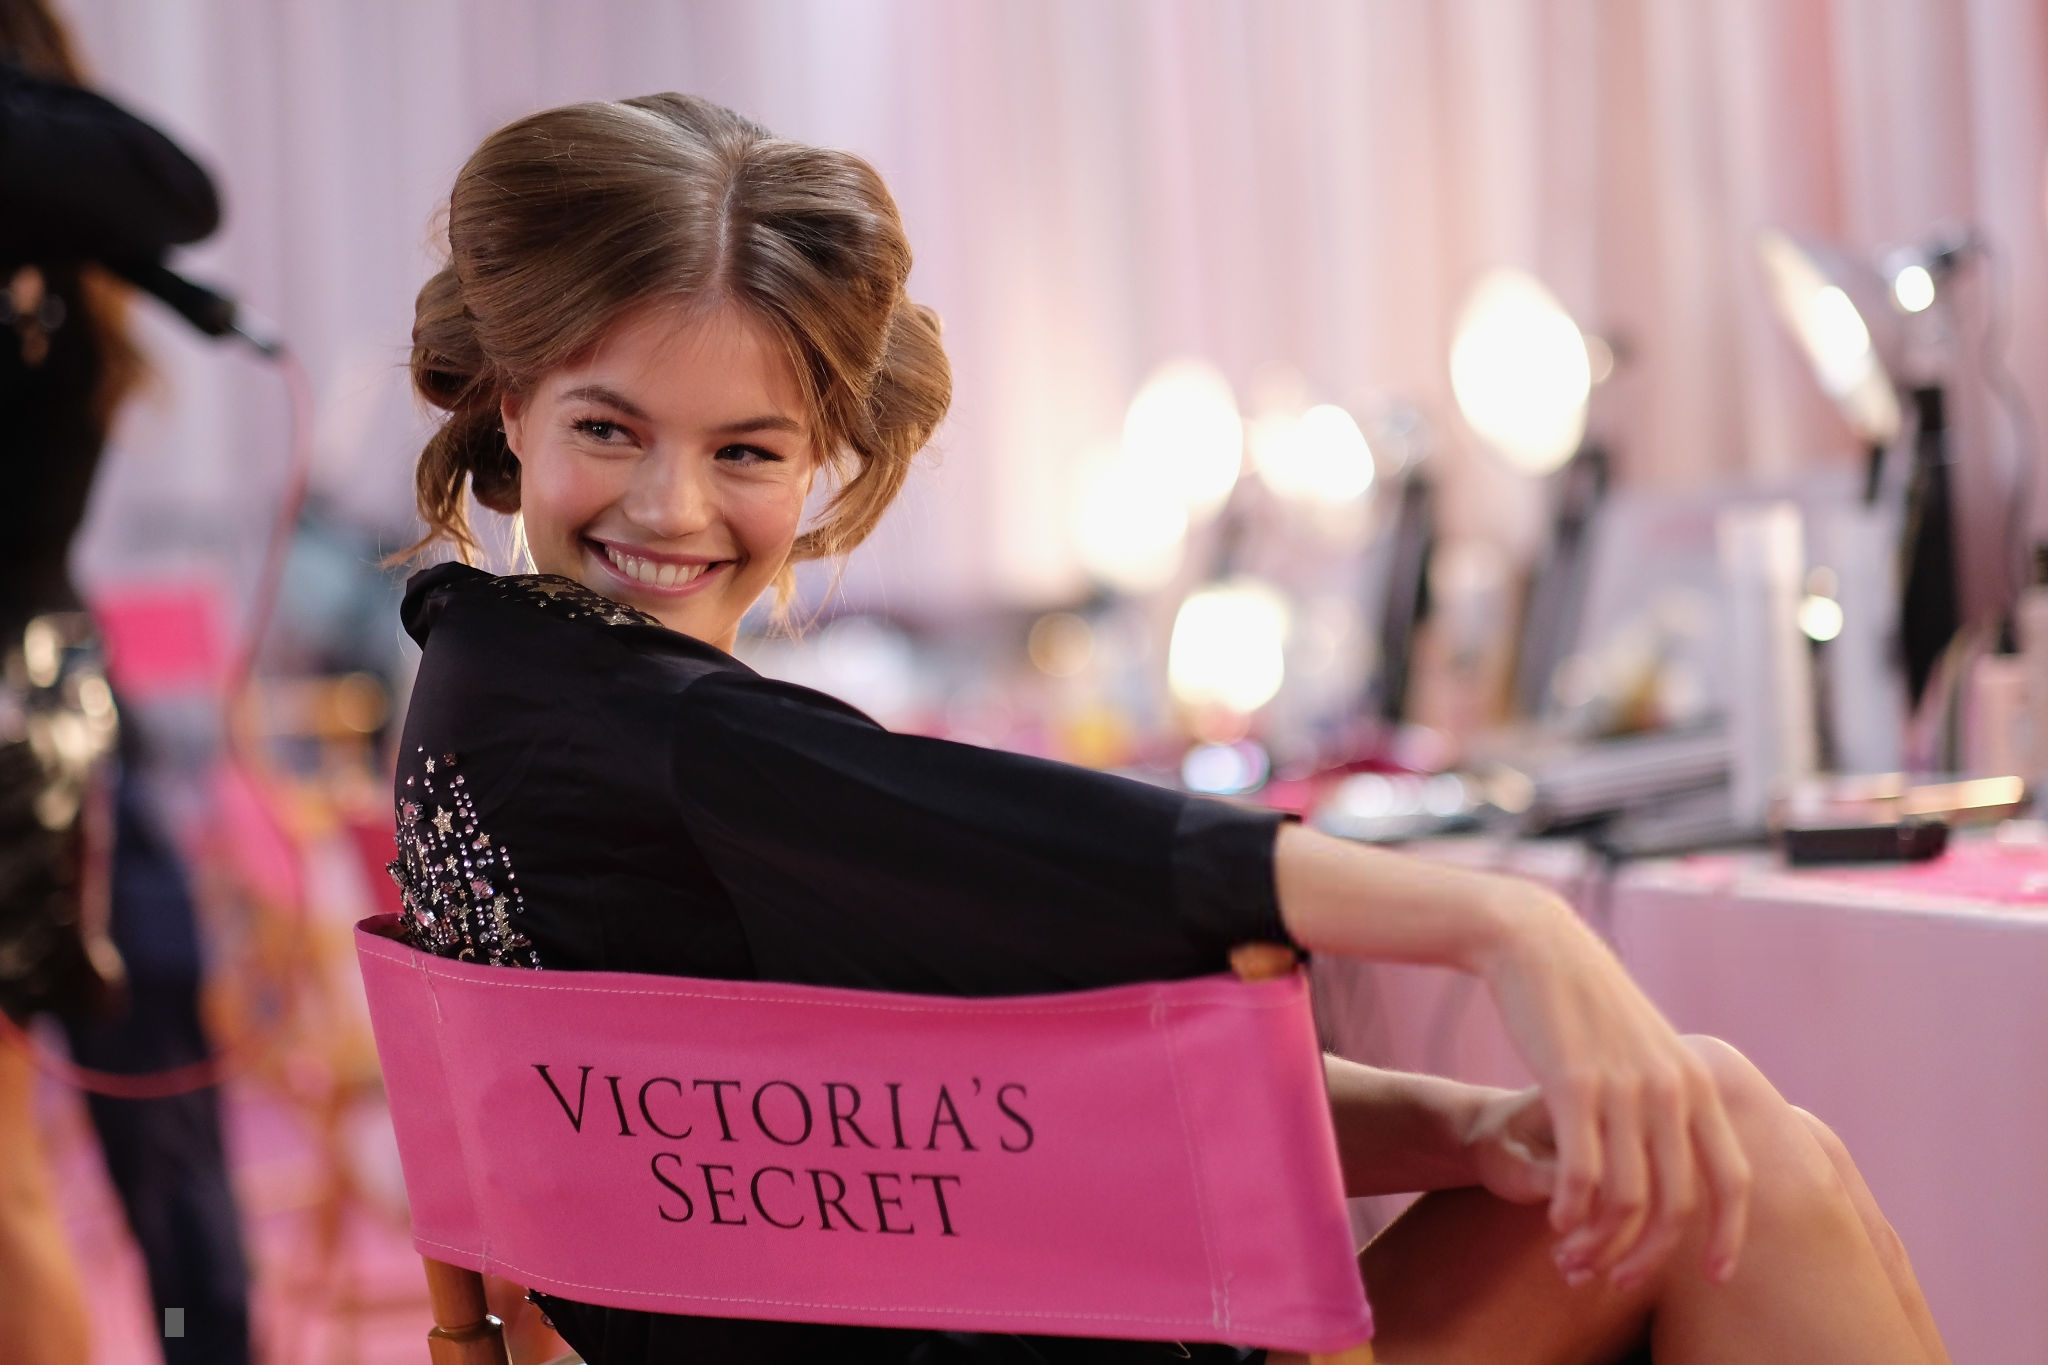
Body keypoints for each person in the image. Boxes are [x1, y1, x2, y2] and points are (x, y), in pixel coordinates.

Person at [393, 93, 1950, 1364]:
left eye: (745, 451)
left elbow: (1077, 1079)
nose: (672, 507)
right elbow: (1070, 855)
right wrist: (1508, 925)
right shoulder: (655, 739)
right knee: (1734, 1158)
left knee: (1721, 1126)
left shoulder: (496, 689)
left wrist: (1482, 1130)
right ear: (506, 404)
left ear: (819, 466)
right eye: (611, 429)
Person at [0, 5, 252, 1363]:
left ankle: (204, 1341)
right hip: (45, 719)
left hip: (55, 717)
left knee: (155, 1114)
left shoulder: (64, 192)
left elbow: (177, 189)